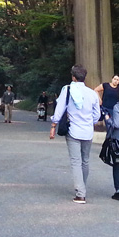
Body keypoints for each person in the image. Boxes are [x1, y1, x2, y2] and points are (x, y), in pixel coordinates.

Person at [50, 64, 101, 203]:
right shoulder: (92, 93)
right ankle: (82, 187)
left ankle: (80, 193)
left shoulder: (67, 90)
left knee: (76, 161)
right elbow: (97, 114)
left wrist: (54, 124)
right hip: (88, 131)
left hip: (73, 130)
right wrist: (90, 122)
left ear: (73, 77)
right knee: (85, 161)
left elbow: (59, 110)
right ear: (84, 77)